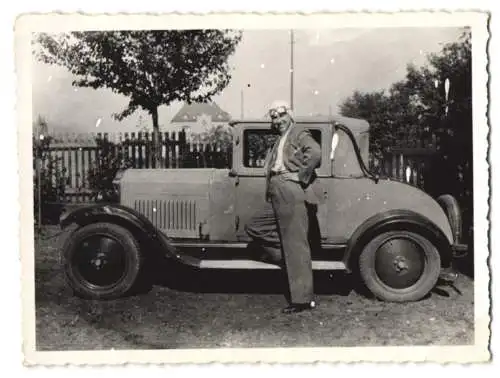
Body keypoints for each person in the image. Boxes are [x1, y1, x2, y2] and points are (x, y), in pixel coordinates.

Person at [245, 100, 324, 314]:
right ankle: (290, 260)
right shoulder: (281, 137)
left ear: (290, 115)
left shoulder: (299, 132)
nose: (277, 120)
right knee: (254, 227)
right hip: (277, 191)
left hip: (289, 189)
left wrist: (300, 176)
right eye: (273, 117)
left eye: (281, 116)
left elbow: (315, 152)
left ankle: (302, 300)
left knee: (295, 245)